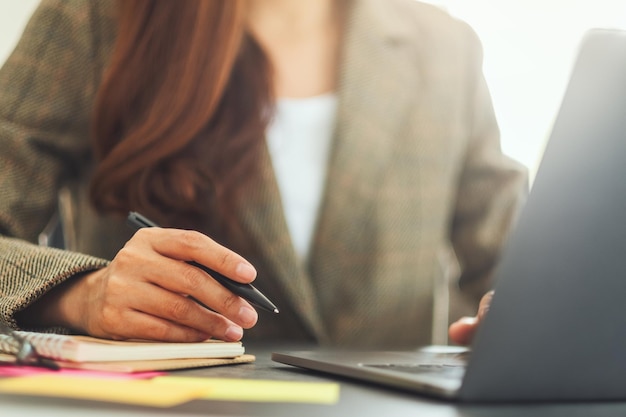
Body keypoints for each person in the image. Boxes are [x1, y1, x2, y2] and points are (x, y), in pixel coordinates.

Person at [0, 0, 526, 349]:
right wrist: (83, 292)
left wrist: (519, 316)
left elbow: (517, 260)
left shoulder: (446, 47)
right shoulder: (94, 18)